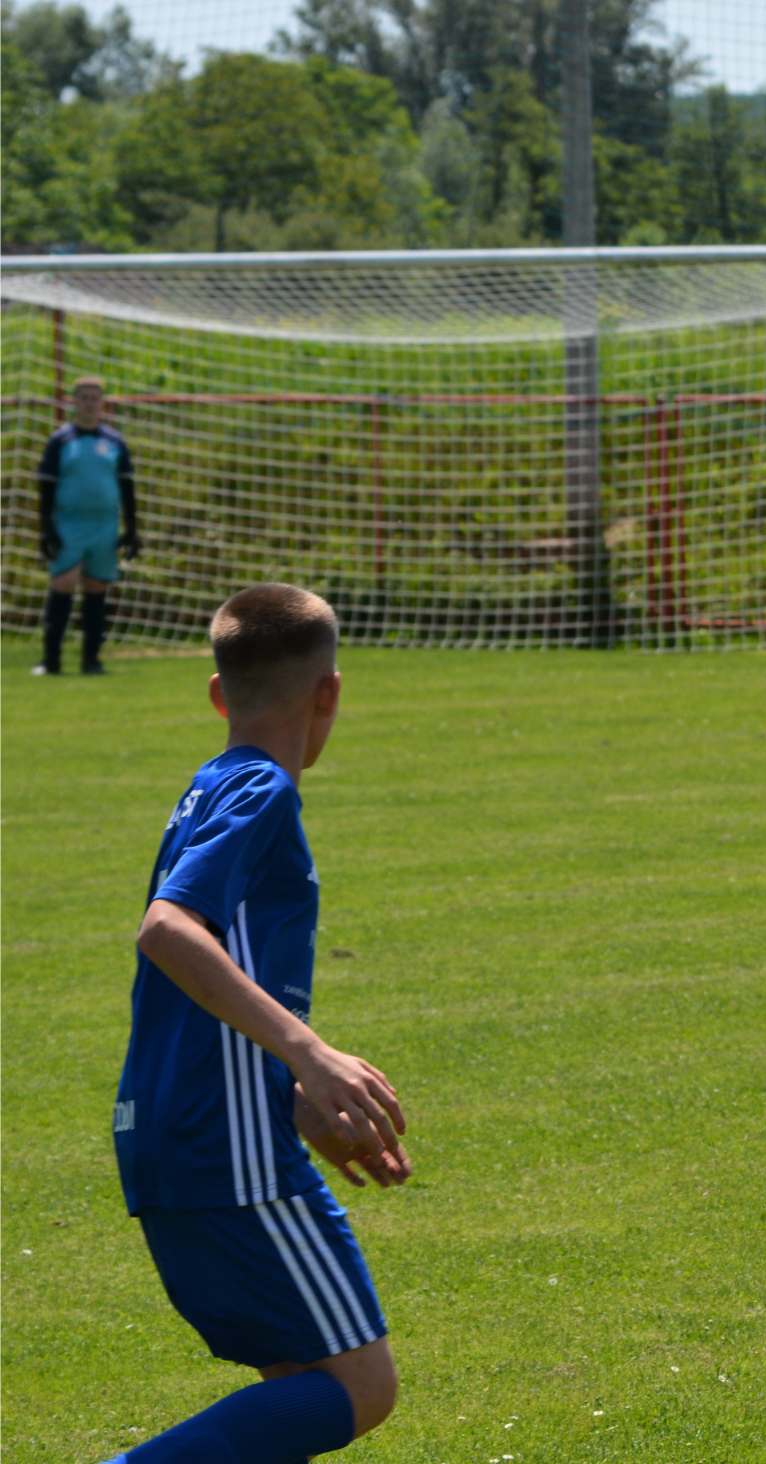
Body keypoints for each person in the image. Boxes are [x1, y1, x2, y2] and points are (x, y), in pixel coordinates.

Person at [108, 583, 408, 1463]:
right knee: (360, 1385)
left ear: (217, 694)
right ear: (329, 692)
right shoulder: (263, 791)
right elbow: (169, 930)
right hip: (222, 1144)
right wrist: (309, 1054)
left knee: (297, 1377)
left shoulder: (209, 786)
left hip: (174, 1131)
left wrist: (292, 1097)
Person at [36, 374, 140, 676]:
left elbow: (127, 488)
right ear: (74, 402)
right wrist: (46, 528)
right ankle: (51, 661)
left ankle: (91, 660)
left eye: (95, 398)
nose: (89, 403)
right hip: (69, 524)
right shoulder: (60, 441)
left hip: (105, 526)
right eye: (84, 398)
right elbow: (46, 488)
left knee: (97, 589)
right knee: (63, 584)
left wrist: (132, 529)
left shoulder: (114, 442)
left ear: (102, 403)